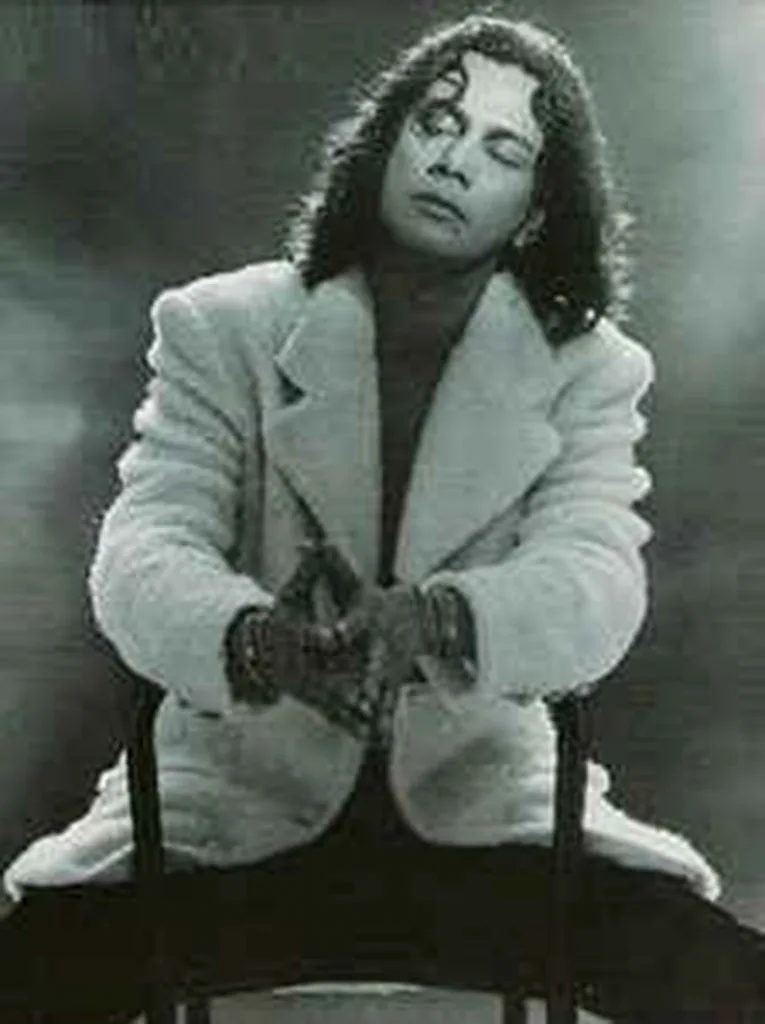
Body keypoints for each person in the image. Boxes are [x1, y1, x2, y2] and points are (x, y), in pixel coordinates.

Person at [2, 11, 764, 1022]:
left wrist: (435, 621)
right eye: (434, 124)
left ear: (536, 208)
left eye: (501, 151)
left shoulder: (588, 368)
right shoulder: (221, 326)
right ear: (383, 145)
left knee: (730, 984)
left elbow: (597, 583)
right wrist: (258, 640)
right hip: (225, 827)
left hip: (485, 833)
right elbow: (143, 550)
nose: (453, 161)